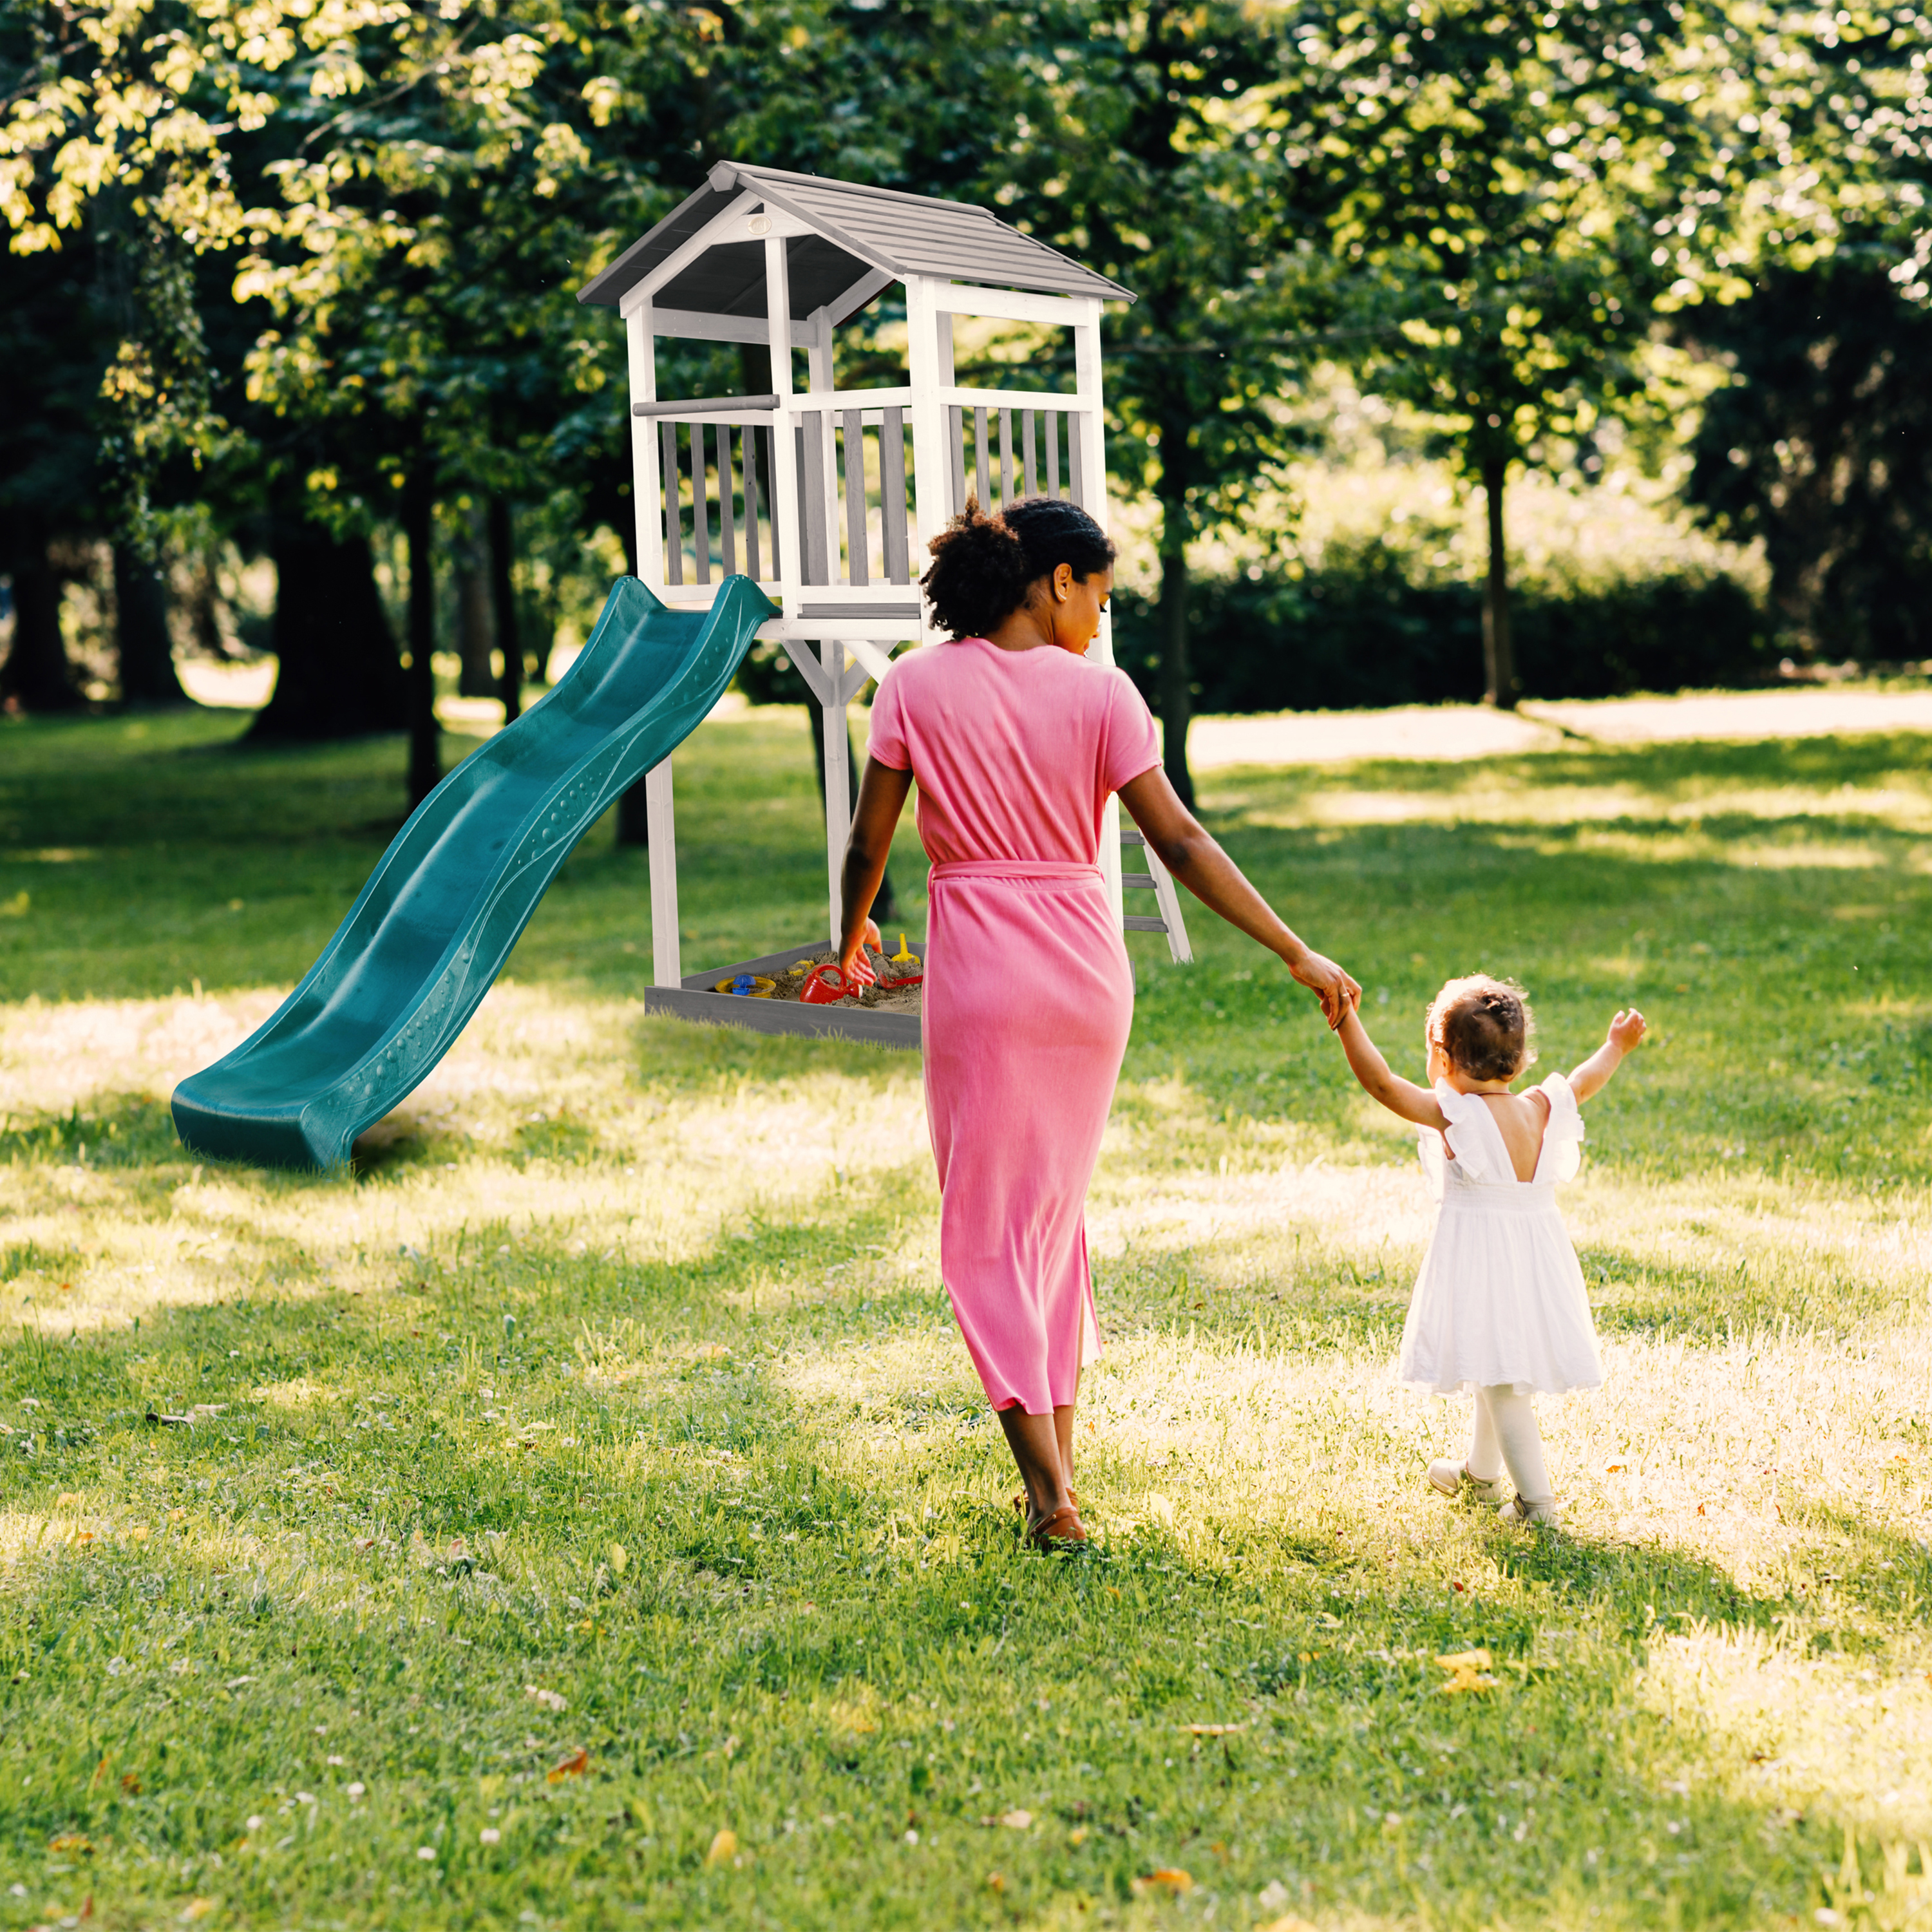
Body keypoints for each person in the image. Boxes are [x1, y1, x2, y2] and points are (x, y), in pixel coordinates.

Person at [835, 497, 1360, 1549]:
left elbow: (868, 843)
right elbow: (1181, 842)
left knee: (987, 1231)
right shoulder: (1105, 696)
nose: (1101, 621)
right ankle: (1058, 1477)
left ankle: (1047, 1496)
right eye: (1101, 598)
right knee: (1047, 1223)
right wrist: (1293, 947)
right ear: (1056, 581)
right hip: (1085, 975)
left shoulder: (912, 684)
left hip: (982, 975)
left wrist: (847, 939)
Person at [1331, 973, 1647, 1526]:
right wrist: (1615, 1046)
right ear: (1520, 1061)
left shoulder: (1456, 1115)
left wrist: (1345, 1019)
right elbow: (1585, 1079)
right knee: (1490, 1362)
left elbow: (1381, 1084)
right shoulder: (1542, 1106)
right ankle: (1480, 1476)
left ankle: (1537, 1506)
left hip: (1485, 1263)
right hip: (1535, 1261)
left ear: (1443, 1059)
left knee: (1503, 1384)